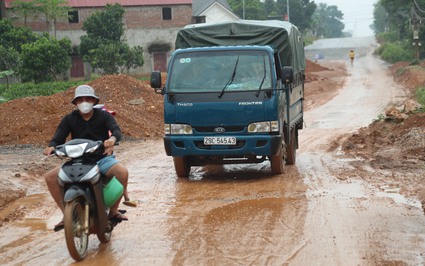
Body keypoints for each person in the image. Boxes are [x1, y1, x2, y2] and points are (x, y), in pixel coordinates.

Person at [43, 85, 129, 231]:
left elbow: (116, 130)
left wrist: (112, 139)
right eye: (80, 99)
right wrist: (52, 146)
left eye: (88, 99)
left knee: (122, 172)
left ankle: (114, 211)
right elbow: (58, 137)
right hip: (77, 161)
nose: (84, 102)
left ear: (94, 101)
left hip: (101, 159)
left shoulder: (104, 116)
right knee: (50, 177)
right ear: (75, 102)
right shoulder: (69, 119)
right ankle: (67, 215)